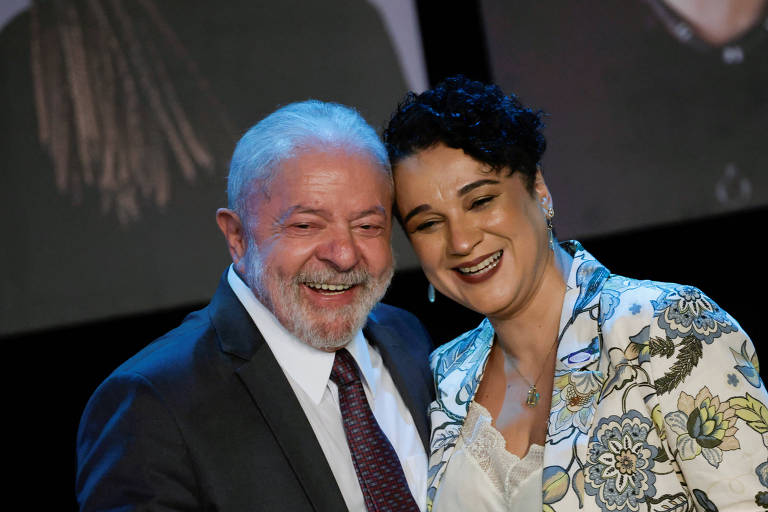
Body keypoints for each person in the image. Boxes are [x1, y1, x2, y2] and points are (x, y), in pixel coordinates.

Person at [382, 75, 768, 511]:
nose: (461, 242)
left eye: (480, 201)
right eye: (428, 224)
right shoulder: (444, 374)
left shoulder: (667, 327)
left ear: (538, 190)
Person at [76, 100, 434, 511]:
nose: (344, 255)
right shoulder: (152, 404)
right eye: (305, 225)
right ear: (237, 237)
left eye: (368, 227)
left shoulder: (408, 338)